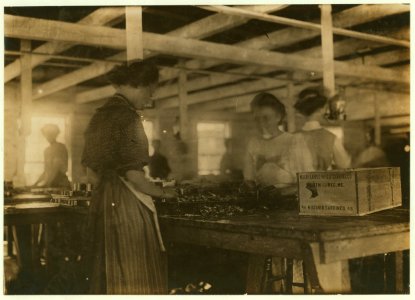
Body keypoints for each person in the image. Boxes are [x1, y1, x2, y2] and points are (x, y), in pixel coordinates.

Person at [81, 60, 177, 294]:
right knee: (132, 268)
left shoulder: (99, 116)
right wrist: (165, 193)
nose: (149, 98)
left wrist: (108, 188)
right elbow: (134, 175)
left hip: (102, 200)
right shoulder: (129, 118)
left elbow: (89, 172)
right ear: (139, 85)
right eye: (150, 91)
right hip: (125, 205)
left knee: (107, 268)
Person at [243, 92, 297, 190]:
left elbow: (302, 180)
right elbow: (248, 178)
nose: (261, 123)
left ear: (278, 117)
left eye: (266, 118)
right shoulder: (253, 143)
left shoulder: (293, 141)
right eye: (257, 119)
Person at [294, 87, 351, 171]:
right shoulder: (330, 138)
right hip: (324, 183)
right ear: (322, 110)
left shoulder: (291, 137)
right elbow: (344, 164)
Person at [33, 124, 70, 188]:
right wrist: (35, 184)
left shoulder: (60, 147)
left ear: (55, 135)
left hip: (61, 183)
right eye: (46, 135)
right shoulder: (46, 150)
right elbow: (46, 171)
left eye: (51, 134)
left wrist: (48, 183)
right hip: (50, 183)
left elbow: (57, 167)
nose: (48, 137)